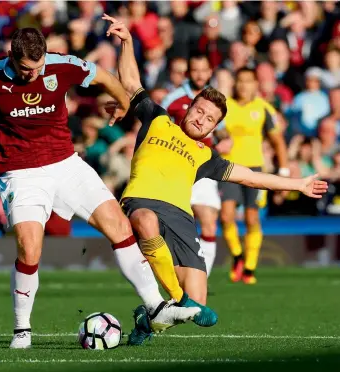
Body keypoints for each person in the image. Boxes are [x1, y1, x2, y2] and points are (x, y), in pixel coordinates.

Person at [0, 28, 200, 350]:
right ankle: (22, 330)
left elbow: (105, 78)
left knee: (118, 224)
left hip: (65, 162)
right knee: (30, 249)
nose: (34, 74)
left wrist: (123, 105)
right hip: (20, 171)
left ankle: (156, 307)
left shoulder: (62, 66)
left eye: (39, 66)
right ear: (12, 59)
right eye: (27, 69)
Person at [103, 14, 327, 345]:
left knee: (200, 308)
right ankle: (178, 301)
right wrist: (127, 42)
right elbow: (132, 81)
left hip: (180, 218)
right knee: (146, 222)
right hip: (141, 202)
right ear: (188, 107)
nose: (201, 119)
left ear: (213, 128)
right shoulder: (158, 120)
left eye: (209, 119)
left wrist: (299, 184)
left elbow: (251, 177)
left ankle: (149, 319)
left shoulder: (207, 156)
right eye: (199, 111)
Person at [161, 53, 232, 278]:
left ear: (210, 72)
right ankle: (172, 280)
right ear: (188, 73)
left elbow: (222, 128)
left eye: (204, 70)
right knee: (176, 228)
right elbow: (159, 126)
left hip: (204, 168)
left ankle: (202, 280)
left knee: (209, 224)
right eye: (195, 70)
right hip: (177, 169)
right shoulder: (172, 100)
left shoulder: (215, 100)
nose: (200, 75)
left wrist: (225, 137)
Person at [219, 67, 289, 285]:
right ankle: (238, 255)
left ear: (255, 84)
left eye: (248, 81)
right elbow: (216, 130)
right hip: (228, 168)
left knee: (251, 218)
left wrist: (284, 171)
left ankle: (249, 267)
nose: (243, 85)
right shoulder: (225, 106)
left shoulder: (263, 108)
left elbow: (277, 141)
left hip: (255, 169)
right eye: (239, 80)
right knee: (226, 216)